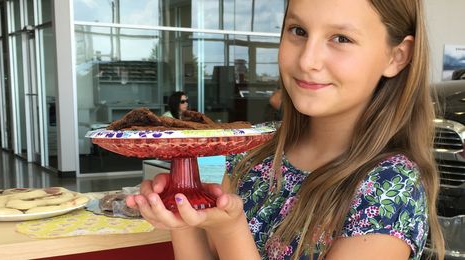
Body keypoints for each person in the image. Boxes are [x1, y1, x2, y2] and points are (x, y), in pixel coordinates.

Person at [126, 0, 445, 259]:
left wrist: (230, 229)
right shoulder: (252, 155)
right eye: (298, 30)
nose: (308, 60)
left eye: (341, 38)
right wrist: (182, 213)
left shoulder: (390, 188)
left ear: (397, 56)